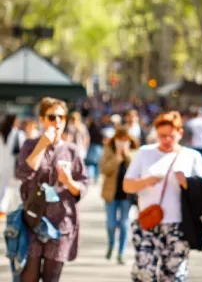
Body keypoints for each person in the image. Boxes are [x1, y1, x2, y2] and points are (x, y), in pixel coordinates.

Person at [123, 111, 202, 282]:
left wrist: (186, 183)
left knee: (174, 276)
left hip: (178, 226)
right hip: (148, 223)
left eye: (171, 136)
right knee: (145, 274)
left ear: (180, 133)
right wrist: (146, 181)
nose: (167, 140)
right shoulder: (144, 153)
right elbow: (127, 186)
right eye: (162, 136)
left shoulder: (192, 156)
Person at [16, 97, 88, 281]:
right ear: (42, 119)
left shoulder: (71, 150)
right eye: (52, 117)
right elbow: (21, 173)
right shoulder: (30, 145)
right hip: (33, 219)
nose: (57, 122)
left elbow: (83, 185)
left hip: (61, 223)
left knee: (51, 278)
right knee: (28, 276)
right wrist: (42, 144)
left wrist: (69, 181)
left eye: (61, 117)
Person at [99, 126, 138, 265]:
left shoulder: (134, 152)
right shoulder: (108, 150)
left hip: (127, 195)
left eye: (124, 140)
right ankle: (111, 244)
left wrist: (127, 156)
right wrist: (117, 158)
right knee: (111, 223)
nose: (121, 143)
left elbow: (137, 170)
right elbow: (103, 169)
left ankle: (121, 252)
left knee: (124, 224)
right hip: (111, 194)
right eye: (119, 140)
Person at [0, 114, 20, 218]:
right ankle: (4, 209)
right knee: (9, 188)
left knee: (2, 186)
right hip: (11, 165)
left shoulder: (1, 132)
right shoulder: (17, 133)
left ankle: (2, 208)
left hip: (1, 163)